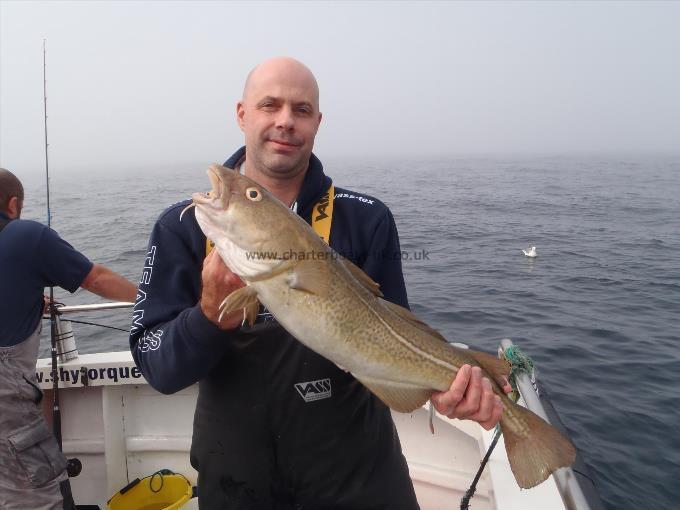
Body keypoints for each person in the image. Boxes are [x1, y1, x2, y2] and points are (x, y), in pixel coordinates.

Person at [130, 57, 508, 509]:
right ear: (242, 114)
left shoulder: (367, 219)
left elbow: (395, 337)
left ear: (317, 122)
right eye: (269, 105)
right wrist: (208, 316)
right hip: (238, 481)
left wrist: (443, 391)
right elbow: (159, 369)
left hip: (359, 481)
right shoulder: (182, 227)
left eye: (301, 110)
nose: (285, 121)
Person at [0, 168, 138, 510]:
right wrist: (152, 300)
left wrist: (29, 300)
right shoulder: (25, 236)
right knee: (35, 498)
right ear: (13, 205)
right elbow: (96, 278)